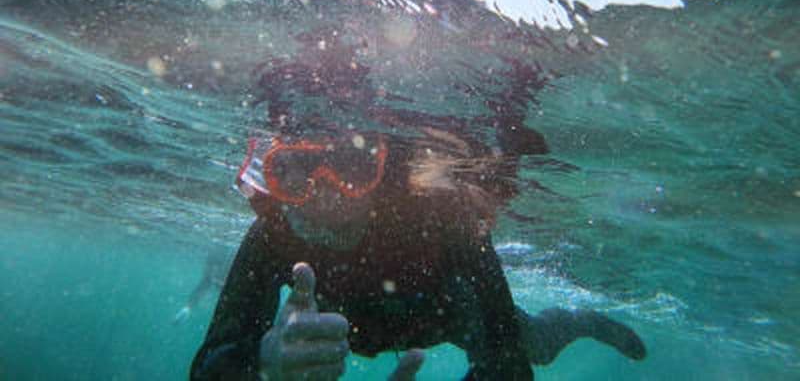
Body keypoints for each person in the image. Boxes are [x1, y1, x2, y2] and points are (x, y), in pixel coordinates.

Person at [190, 36, 646, 380]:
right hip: (371, 328)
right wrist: (263, 365)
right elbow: (213, 362)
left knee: (536, 347)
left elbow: (508, 366)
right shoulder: (275, 230)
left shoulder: (442, 216)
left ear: (383, 170)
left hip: (448, 319)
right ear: (271, 172)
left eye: (350, 167)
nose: (324, 193)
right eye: (294, 172)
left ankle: (575, 321)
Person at [174, 244, 235, 323]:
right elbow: (203, 286)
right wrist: (188, 307)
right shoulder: (211, 276)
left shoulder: (229, 271)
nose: (210, 270)